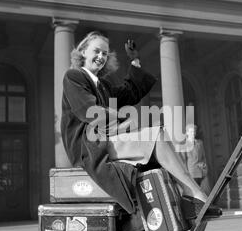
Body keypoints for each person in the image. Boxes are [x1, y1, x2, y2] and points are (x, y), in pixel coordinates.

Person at [61, 31, 207, 218]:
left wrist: (135, 61)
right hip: (88, 147)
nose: (101, 57)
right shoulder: (73, 76)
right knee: (154, 135)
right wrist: (124, 124)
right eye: (96, 51)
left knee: (157, 135)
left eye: (105, 54)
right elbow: (89, 110)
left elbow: (130, 92)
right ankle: (193, 194)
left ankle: (186, 197)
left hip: (105, 139)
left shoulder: (102, 86)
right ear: (82, 52)